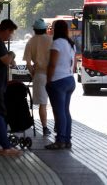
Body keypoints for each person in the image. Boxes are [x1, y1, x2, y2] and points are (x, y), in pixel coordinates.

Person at [45, 20, 76, 150]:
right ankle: (67, 140)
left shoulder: (56, 43)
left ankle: (60, 140)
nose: (50, 30)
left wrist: (49, 80)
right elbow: (73, 66)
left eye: (52, 27)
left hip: (58, 81)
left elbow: (52, 64)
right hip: (70, 80)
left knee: (59, 112)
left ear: (56, 30)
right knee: (65, 111)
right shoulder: (71, 44)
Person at [23, 18, 52, 136]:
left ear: (34, 29)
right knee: (55, 103)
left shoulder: (30, 42)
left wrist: (33, 73)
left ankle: (45, 128)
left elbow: (28, 63)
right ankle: (57, 126)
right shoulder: (51, 40)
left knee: (43, 104)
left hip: (39, 75)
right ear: (45, 29)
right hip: (52, 74)